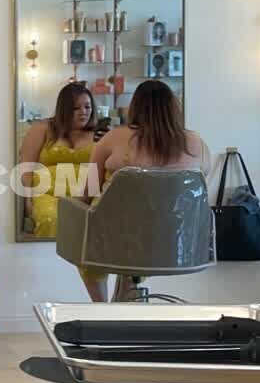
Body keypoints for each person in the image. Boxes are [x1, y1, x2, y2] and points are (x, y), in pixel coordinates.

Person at [89, 79, 211, 301]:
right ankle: (129, 287)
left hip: (118, 238)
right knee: (145, 220)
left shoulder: (114, 138)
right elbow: (200, 187)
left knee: (89, 222)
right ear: (173, 108)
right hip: (178, 242)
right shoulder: (196, 142)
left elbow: (88, 190)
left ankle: (101, 305)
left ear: (135, 106)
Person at [17, 81, 101, 278]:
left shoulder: (99, 133)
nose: (83, 112)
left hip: (87, 196)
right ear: (64, 109)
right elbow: (26, 167)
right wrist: (27, 200)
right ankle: (53, 274)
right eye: (76, 108)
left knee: (99, 222)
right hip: (48, 194)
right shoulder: (42, 129)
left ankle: (90, 272)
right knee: (51, 218)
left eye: (87, 107)